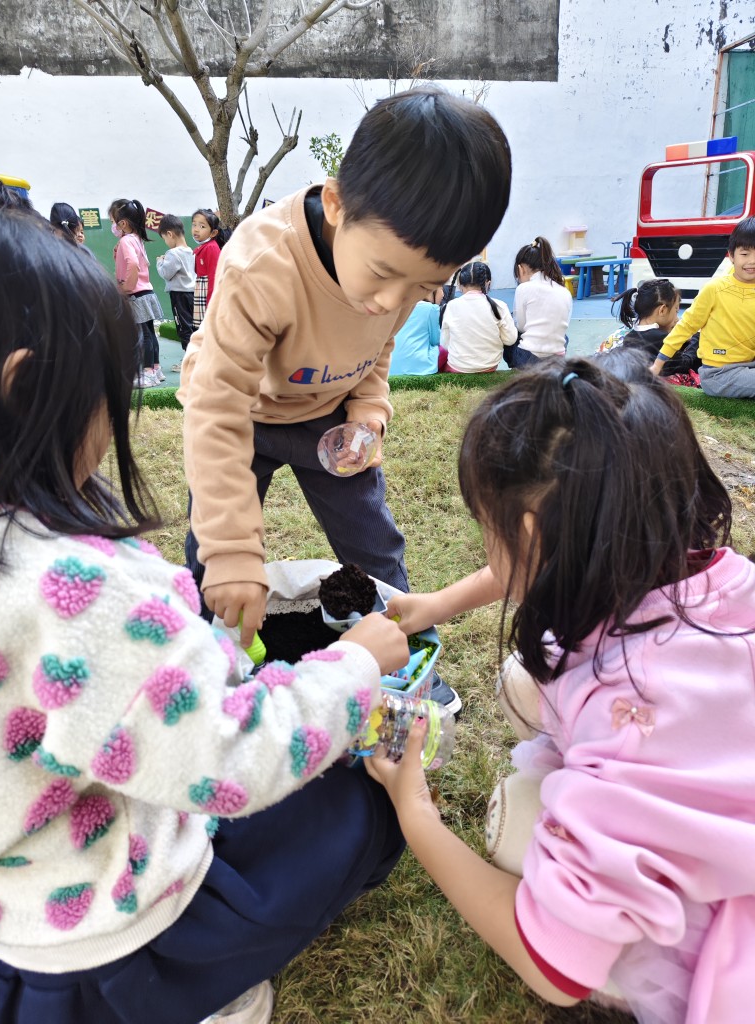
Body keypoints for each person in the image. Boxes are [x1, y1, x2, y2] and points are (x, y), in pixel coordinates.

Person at [0, 207, 411, 1024]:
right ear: (27, 388)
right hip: (120, 943)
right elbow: (233, 757)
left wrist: (205, 642)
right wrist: (356, 663)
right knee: (362, 808)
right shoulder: (72, 590)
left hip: (12, 920)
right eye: (109, 395)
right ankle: (207, 991)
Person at [372, 353, 755, 1023]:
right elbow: (550, 555)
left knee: (522, 818)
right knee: (530, 682)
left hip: (730, 947)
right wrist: (437, 604)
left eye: (486, 528)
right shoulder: (711, 573)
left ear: (529, 535)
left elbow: (554, 970)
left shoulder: (627, 712)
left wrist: (414, 809)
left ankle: (637, 973)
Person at [180, 87, 513, 716]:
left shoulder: (399, 276)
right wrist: (234, 552)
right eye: (383, 274)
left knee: (373, 546)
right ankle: (204, 668)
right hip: (241, 414)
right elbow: (216, 408)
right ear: (336, 204)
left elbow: (376, 350)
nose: (392, 301)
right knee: (214, 559)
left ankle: (402, 662)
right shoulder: (262, 265)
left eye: (423, 286)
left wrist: (366, 413)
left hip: (328, 418)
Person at [650, 217, 755, 397]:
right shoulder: (715, 289)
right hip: (718, 373)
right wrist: (657, 364)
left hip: (749, 366)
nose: (752, 261)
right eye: (745, 254)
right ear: (731, 255)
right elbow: (686, 326)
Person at [109, 198, 166, 390]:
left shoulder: (126, 241)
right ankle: (155, 369)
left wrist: (126, 286)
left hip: (136, 294)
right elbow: (141, 264)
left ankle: (147, 373)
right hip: (146, 291)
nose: (113, 226)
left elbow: (133, 264)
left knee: (143, 336)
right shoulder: (136, 239)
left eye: (113, 222)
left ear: (123, 223)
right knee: (150, 333)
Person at [612, 277, 700, 385]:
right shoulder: (661, 337)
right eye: (676, 310)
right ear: (662, 310)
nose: (677, 319)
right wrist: (696, 337)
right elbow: (685, 364)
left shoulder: (629, 337)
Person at [438, 261, 517, 373]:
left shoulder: (449, 306)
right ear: (488, 283)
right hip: (489, 367)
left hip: (457, 367)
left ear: (459, 284)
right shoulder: (499, 306)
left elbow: (445, 343)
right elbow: (510, 339)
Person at [507, 236, 572, 366]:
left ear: (521, 269)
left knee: (509, 330)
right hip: (558, 357)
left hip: (528, 358)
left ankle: (516, 368)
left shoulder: (523, 288)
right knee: (563, 336)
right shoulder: (564, 291)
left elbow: (521, 326)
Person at [157, 213, 196, 372]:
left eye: (164, 239)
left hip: (179, 295)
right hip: (192, 293)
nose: (166, 242)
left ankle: (190, 362)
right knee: (193, 327)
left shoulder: (173, 253)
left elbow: (166, 273)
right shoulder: (190, 251)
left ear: (170, 234)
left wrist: (160, 262)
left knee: (183, 328)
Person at [388, 288, 442, 376]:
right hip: (420, 367)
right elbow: (436, 340)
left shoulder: (393, 308)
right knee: (444, 350)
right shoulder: (431, 309)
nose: (443, 294)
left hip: (390, 365)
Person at [191, 208, 226, 330]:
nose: (196, 229)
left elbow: (214, 276)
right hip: (202, 291)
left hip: (207, 293)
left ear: (213, 233)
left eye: (202, 226)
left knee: (207, 329)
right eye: (194, 225)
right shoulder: (204, 247)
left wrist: (211, 303)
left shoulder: (211, 248)